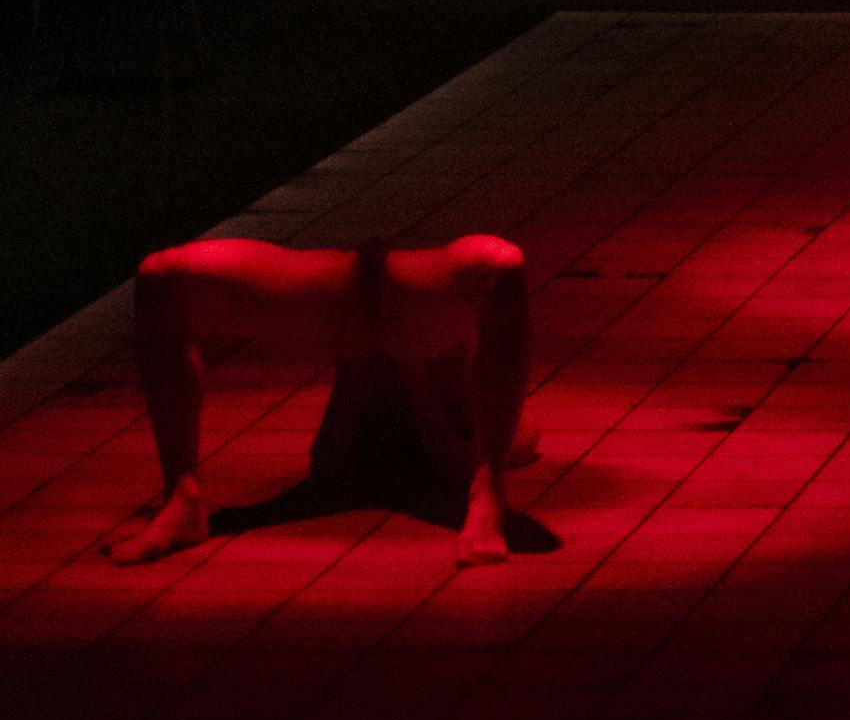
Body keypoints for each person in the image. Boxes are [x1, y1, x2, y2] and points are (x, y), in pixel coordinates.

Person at [100, 234, 535, 566]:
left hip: (344, 293)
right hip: (405, 292)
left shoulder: (345, 447)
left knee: (159, 276)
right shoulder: (456, 403)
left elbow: (332, 460)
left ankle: (182, 494)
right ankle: (489, 491)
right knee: (503, 264)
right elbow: (515, 436)